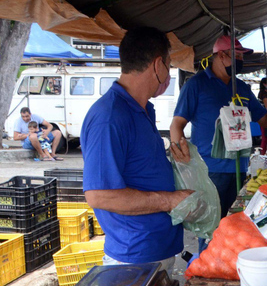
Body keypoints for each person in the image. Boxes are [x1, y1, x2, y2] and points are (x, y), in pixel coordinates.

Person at [81, 26, 193, 272]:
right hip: (134, 257)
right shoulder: (109, 117)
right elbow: (98, 195)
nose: (169, 72)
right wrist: (169, 200)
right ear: (157, 65)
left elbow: (139, 169)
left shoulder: (141, 109)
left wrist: (178, 164)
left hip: (155, 249)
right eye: (169, 63)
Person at [170, 35, 267, 220]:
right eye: (236, 56)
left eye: (241, 56)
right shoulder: (196, 85)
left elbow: (264, 119)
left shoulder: (242, 87)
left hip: (239, 168)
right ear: (221, 56)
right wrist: (184, 163)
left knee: (235, 224)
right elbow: (177, 124)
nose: (241, 60)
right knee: (211, 226)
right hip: (210, 170)